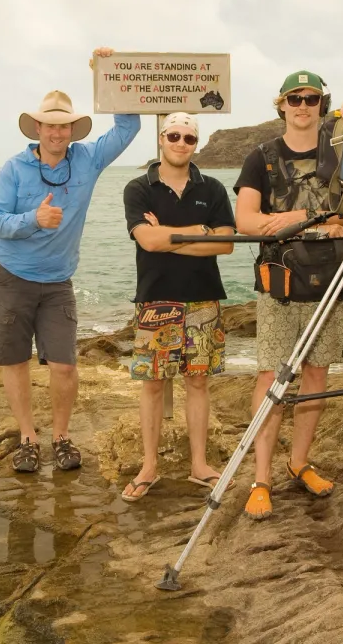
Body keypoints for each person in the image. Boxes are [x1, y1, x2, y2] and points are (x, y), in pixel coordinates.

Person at [0, 48, 141, 473]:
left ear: (73, 129)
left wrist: (104, 75)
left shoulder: (87, 159)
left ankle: (61, 437)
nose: (57, 133)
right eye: (50, 126)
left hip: (58, 282)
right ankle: (27, 438)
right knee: (15, 362)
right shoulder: (14, 168)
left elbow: (129, 126)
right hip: (11, 277)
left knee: (64, 364)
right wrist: (33, 219)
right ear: (38, 128)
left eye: (64, 126)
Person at [233, 70, 343, 520]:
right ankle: (261, 478)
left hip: (332, 280)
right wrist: (313, 218)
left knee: (316, 375)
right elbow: (247, 221)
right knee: (271, 378)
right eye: (294, 98)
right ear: (282, 104)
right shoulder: (261, 157)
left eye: (311, 98)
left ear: (321, 104)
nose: (303, 106)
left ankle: (300, 461)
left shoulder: (342, 156)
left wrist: (289, 218)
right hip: (280, 285)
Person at [119, 112, 238, 502]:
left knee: (198, 382)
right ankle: (149, 466)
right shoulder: (138, 188)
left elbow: (225, 244)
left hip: (203, 298)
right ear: (161, 139)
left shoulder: (214, 188)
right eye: (174, 135)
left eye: (189, 138)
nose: (180, 143)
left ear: (196, 144)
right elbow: (147, 243)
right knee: (153, 385)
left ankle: (199, 465)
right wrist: (197, 233)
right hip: (155, 299)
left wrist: (169, 234)